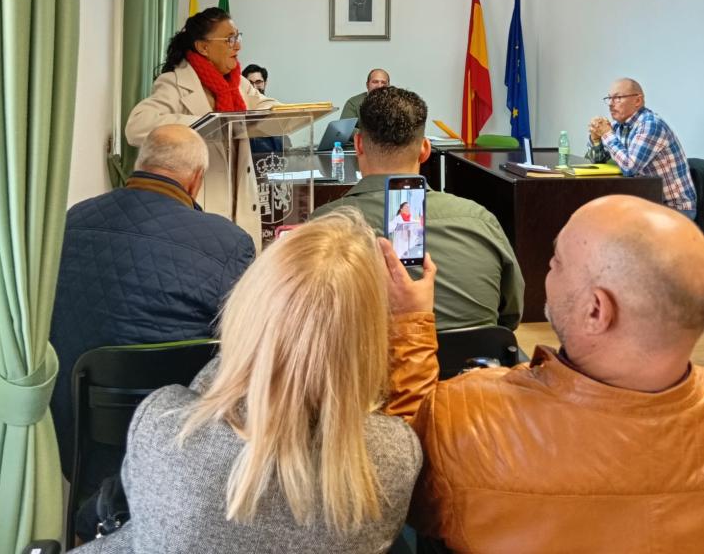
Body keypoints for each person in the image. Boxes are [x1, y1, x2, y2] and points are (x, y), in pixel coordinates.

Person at [75, 212, 422, 554]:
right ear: (370, 341)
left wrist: (249, 358)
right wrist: (413, 321)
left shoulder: (162, 428)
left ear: (245, 307)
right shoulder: (394, 461)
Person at [382, 194, 704, 554]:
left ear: (596, 311)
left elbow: (400, 476)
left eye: (557, 263)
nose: (548, 269)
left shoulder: (467, 418)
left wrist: (409, 324)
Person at [50, 124, 255, 497]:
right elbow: (245, 348)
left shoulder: (71, 222)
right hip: (180, 452)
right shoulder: (228, 243)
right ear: (195, 180)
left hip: (79, 440)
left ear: (140, 164)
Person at [311, 86, 523, 330]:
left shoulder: (321, 227)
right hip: (478, 356)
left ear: (358, 145)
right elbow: (510, 316)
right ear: (425, 150)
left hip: (365, 355)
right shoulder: (481, 222)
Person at [125, 8, 276, 247]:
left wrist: (277, 112)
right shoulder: (175, 83)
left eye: (238, 37)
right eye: (230, 39)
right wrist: (204, 124)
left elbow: (267, 105)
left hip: (240, 208)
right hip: (201, 209)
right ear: (203, 47)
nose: (238, 46)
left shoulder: (237, 84)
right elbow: (137, 126)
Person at [587, 77, 696, 217]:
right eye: (609, 98)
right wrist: (596, 139)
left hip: (674, 209)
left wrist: (607, 134)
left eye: (618, 98)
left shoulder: (650, 124)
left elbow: (629, 167)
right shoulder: (618, 126)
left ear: (637, 101)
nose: (610, 104)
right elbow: (598, 161)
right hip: (645, 203)